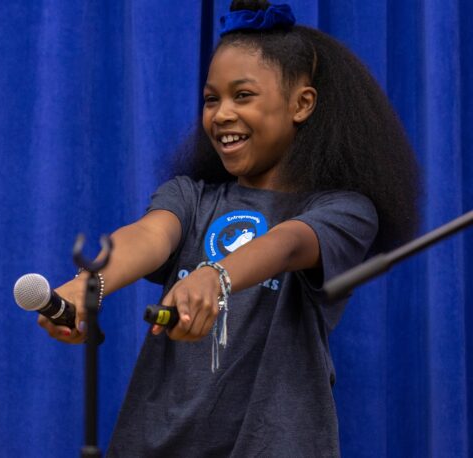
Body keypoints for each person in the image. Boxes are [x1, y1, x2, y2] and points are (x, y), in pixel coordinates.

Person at [37, 1, 419, 456]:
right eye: (211, 99)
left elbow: (289, 244)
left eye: (243, 96)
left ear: (302, 104)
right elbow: (149, 236)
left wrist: (215, 276)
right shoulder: (192, 196)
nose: (220, 115)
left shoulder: (344, 210)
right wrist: (91, 283)